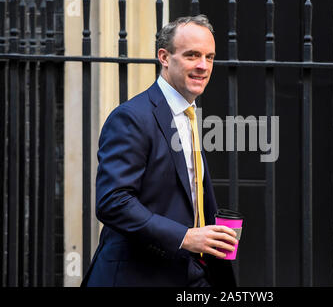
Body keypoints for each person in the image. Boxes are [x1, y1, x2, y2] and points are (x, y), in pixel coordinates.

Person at [81, 15, 238, 287]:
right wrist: (185, 237)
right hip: (140, 276)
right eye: (192, 55)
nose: (203, 66)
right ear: (164, 57)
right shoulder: (131, 117)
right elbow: (113, 202)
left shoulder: (188, 115)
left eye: (209, 57)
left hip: (191, 271)